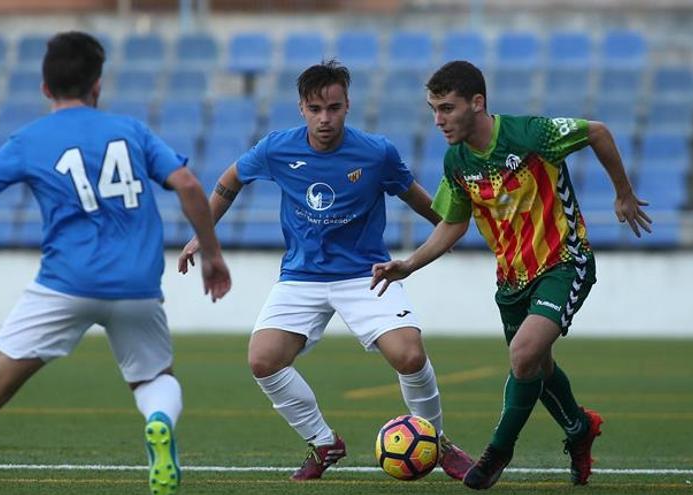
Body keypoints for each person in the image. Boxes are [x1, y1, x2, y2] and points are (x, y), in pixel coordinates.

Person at [0, 31, 230, 495]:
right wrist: (211, 254)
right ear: (98, 86)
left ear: (45, 88)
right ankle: (157, 420)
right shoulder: (131, 131)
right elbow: (189, 185)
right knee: (155, 378)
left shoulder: (31, 139)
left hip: (64, 285)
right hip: (137, 288)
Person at [177, 59, 473, 481]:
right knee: (263, 360)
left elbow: (426, 205)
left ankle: (438, 443)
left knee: (409, 355)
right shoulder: (277, 148)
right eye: (315, 109)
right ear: (301, 108)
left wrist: (455, 228)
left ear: (347, 105)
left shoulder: (376, 153)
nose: (325, 118)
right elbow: (230, 180)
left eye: (333, 108)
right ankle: (323, 442)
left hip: (364, 274)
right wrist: (202, 236)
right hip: (301, 276)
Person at [371, 60, 653, 490]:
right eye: (433, 109)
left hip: (565, 260)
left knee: (523, 356)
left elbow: (597, 131)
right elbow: (453, 223)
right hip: (512, 280)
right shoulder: (457, 162)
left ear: (477, 102)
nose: (438, 120)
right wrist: (408, 263)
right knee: (536, 368)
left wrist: (623, 193)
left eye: (447, 108)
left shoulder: (530, 135)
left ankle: (496, 453)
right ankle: (578, 428)